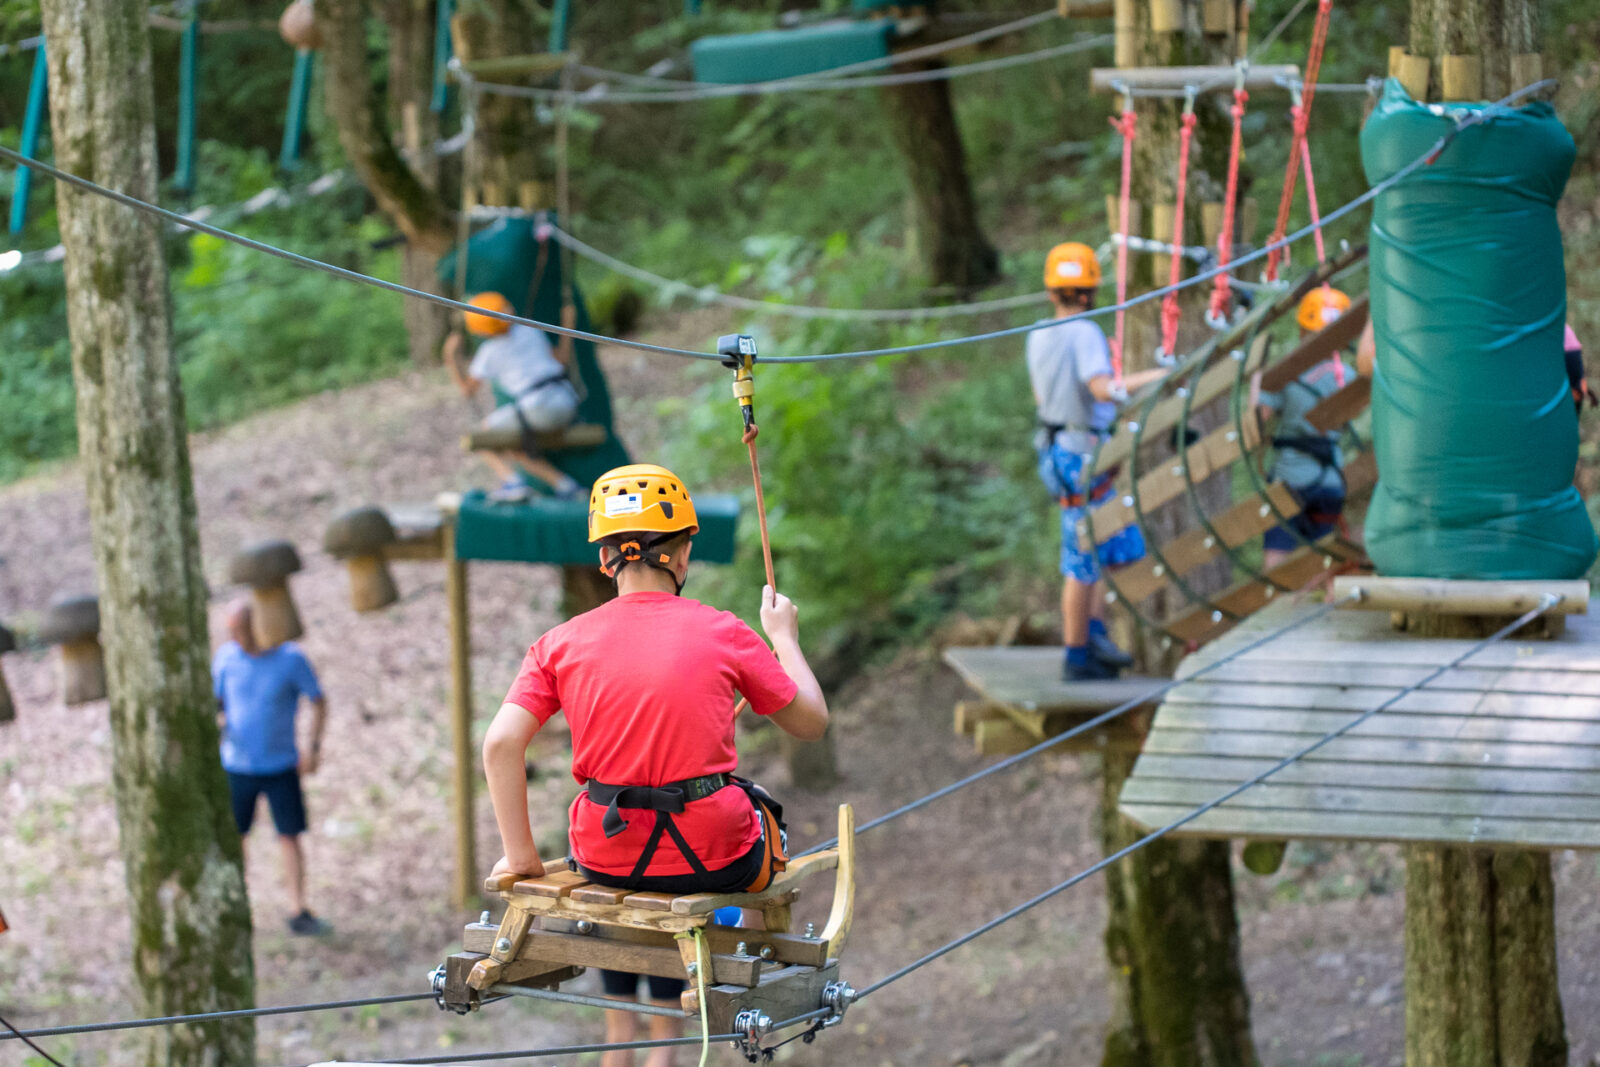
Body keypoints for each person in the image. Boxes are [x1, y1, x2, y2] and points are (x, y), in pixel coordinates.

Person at [481, 463, 829, 1067]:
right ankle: (743, 968)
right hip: (714, 853)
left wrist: (521, 857)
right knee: (762, 813)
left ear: (606, 560)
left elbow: (500, 744)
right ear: (682, 552)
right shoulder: (725, 631)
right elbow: (810, 722)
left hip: (607, 854)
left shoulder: (558, 643)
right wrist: (785, 638)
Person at [1028, 241, 1166, 682]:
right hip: (1079, 454)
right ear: (1091, 288)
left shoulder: (1038, 335)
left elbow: (1042, 398)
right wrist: (1158, 377)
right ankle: (1076, 653)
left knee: (1102, 543)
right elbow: (1103, 388)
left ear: (1052, 291)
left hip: (1061, 449)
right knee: (1083, 555)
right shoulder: (1084, 332)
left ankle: (1094, 635)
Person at [214, 599, 330, 936]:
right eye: (231, 631)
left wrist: (313, 747)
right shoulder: (225, 659)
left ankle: (298, 909)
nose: (237, 637)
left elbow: (318, 700)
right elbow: (217, 702)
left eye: (241, 629)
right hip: (236, 766)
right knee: (236, 837)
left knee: (289, 836)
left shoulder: (290, 658)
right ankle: (235, 908)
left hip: (281, 766)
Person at [444, 291, 584, 502]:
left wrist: (450, 356)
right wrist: (568, 325)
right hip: (565, 400)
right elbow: (562, 359)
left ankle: (513, 482)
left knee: (485, 435)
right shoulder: (529, 331)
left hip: (537, 408)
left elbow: (467, 390)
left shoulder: (489, 352)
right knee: (514, 444)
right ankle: (565, 485)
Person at [1253, 286, 1355, 570]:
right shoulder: (1348, 376)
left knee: (1277, 557)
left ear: (1302, 328)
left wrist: (1257, 384)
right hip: (1331, 482)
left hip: (1290, 481)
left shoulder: (1286, 373)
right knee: (1322, 558)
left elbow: (1256, 422)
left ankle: (1277, 609)